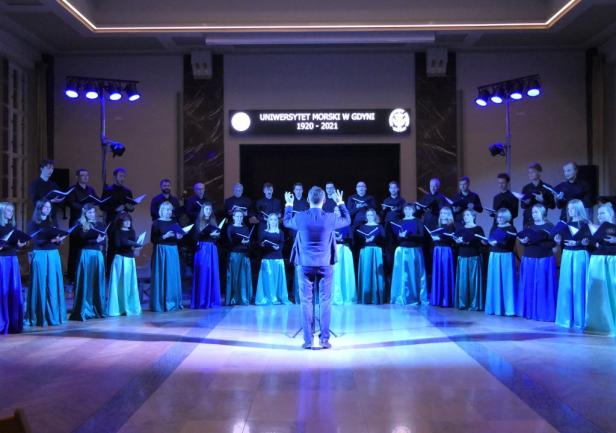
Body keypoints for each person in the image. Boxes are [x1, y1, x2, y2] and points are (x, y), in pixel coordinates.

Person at [283, 186, 350, 349]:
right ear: (325, 200)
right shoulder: (330, 217)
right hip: (325, 264)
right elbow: (347, 220)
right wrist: (340, 203)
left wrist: (289, 205)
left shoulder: (300, 217)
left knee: (306, 302)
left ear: (307, 200)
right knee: (325, 302)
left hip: (305, 264)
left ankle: (308, 341)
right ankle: (324, 340)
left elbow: (286, 222)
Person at [26, 200, 67, 327]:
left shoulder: (52, 222)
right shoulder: (33, 223)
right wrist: (51, 240)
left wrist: (59, 240)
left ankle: (53, 314)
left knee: (53, 285)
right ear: (39, 208)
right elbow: (36, 241)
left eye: (50, 207)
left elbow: (57, 239)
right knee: (40, 284)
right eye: (46, 207)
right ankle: (39, 316)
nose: (48, 209)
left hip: (53, 254)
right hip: (41, 254)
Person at [554, 199, 591, 329]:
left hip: (580, 255)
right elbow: (563, 242)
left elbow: (590, 242)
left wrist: (578, 243)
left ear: (579, 209)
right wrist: (558, 241)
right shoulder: (566, 224)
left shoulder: (586, 224)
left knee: (579, 285)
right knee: (567, 285)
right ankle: (566, 318)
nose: (570, 211)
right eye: (569, 209)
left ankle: (580, 318)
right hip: (568, 255)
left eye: (573, 208)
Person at [517, 204, 557, 321]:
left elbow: (553, 243)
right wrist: (524, 241)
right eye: (533, 212)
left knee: (543, 286)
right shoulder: (529, 226)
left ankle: (543, 313)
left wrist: (538, 241)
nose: (534, 214)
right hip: (529, 258)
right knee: (529, 285)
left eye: (536, 212)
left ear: (543, 213)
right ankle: (529, 312)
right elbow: (523, 241)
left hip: (544, 259)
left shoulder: (550, 226)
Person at [70, 203, 106, 321]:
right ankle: (83, 309)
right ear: (84, 213)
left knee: (96, 281)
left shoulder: (99, 225)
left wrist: (101, 240)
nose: (92, 214)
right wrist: (95, 240)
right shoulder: (79, 224)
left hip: (97, 254)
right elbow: (79, 240)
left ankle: (97, 308)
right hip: (85, 254)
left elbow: (102, 240)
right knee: (85, 281)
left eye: (93, 212)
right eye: (89, 212)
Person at [584, 203, 616, 335]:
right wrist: (586, 243)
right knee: (598, 292)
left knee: (612, 290)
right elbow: (592, 247)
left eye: (602, 213)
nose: (599, 216)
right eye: (598, 214)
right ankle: (599, 323)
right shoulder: (595, 229)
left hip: (612, 261)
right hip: (597, 261)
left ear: (611, 214)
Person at [389, 203, 428, 305]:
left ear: (413, 211)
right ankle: (400, 296)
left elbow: (421, 236)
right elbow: (397, 238)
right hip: (402, 250)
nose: (407, 211)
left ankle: (414, 297)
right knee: (402, 275)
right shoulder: (399, 222)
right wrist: (400, 236)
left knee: (414, 275)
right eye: (405, 209)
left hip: (414, 251)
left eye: (409, 209)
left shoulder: (418, 221)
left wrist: (408, 235)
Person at [66, 168, 99, 283]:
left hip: (89, 222)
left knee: (88, 245)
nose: (85, 177)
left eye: (87, 175)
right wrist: (85, 207)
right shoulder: (72, 189)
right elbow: (71, 203)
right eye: (83, 175)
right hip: (77, 221)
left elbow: (97, 200)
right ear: (77, 177)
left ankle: (86, 274)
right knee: (75, 248)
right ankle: (72, 276)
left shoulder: (90, 189)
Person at [150, 201, 183, 312]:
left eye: (170, 210)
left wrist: (179, 237)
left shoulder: (174, 222)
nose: (169, 212)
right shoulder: (156, 223)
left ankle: (172, 301)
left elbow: (178, 237)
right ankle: (161, 302)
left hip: (173, 250)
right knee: (162, 275)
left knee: (172, 275)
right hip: (162, 251)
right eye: (167, 210)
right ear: (162, 210)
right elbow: (153, 239)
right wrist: (165, 236)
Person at [107, 212, 143, 316]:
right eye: (125, 221)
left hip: (130, 259)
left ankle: (129, 306)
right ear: (121, 222)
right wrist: (131, 243)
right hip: (120, 259)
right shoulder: (117, 231)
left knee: (129, 284)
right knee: (119, 284)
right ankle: (118, 308)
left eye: (129, 221)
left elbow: (131, 244)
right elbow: (118, 244)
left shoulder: (131, 231)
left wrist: (135, 244)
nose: (128, 223)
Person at [484, 209, 518, 316]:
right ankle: (495, 307)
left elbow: (510, 245)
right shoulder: (495, 227)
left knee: (507, 282)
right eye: (498, 217)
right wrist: (488, 242)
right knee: (494, 281)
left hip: (505, 256)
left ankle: (508, 308)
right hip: (494, 256)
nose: (498, 219)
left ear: (506, 217)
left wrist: (498, 243)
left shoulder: (511, 228)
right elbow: (490, 239)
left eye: (501, 217)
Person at [0, 202, 27, 334]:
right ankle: (2, 322)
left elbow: (13, 245)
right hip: (2, 260)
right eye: (8, 210)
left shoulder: (12, 227)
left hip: (12, 259)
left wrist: (19, 245)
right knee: (3, 289)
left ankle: (13, 322)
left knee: (14, 290)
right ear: (1, 212)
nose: (10, 213)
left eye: (11, 211)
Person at [101, 168, 135, 270]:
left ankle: (123, 270)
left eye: (124, 176)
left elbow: (131, 208)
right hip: (113, 222)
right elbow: (102, 206)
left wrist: (130, 207)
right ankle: (110, 271)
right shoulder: (108, 190)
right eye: (120, 176)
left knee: (125, 245)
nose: (122, 178)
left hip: (125, 223)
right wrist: (115, 209)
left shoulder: (127, 191)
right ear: (115, 176)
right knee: (113, 246)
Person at [191, 202, 222, 309]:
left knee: (212, 273)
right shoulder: (198, 221)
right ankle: (202, 300)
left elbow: (218, 237)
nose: (208, 211)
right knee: (203, 273)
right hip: (203, 248)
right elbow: (195, 237)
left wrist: (216, 235)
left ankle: (212, 300)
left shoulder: (213, 221)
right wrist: (209, 234)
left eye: (210, 209)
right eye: (206, 209)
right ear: (203, 210)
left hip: (212, 248)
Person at [453, 209, 485, 310]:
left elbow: (482, 243)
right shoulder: (460, 229)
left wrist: (470, 242)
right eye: (464, 215)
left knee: (473, 282)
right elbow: (455, 243)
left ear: (473, 217)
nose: (465, 217)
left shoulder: (478, 228)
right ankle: (463, 303)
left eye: (468, 215)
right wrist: (457, 241)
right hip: (462, 256)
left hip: (473, 257)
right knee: (463, 282)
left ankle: (474, 304)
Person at [255, 214, 290, 305]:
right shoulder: (263, 232)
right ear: (268, 221)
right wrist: (263, 245)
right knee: (268, 280)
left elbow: (282, 245)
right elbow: (260, 245)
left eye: (275, 219)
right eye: (271, 219)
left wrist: (278, 247)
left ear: (277, 221)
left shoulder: (280, 232)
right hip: (267, 258)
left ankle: (278, 297)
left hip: (278, 259)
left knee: (278, 280)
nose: (273, 221)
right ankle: (270, 297)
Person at [356, 209, 386, 304]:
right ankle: (365, 296)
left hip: (376, 250)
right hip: (365, 250)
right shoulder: (362, 227)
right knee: (366, 272)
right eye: (368, 215)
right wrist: (364, 240)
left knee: (375, 272)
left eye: (371, 215)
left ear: (375, 216)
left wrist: (375, 238)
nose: (369, 217)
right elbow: (357, 239)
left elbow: (384, 238)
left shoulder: (379, 226)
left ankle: (376, 296)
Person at [429, 207, 456, 307]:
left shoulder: (451, 226)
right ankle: (438, 298)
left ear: (449, 215)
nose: (443, 215)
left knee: (445, 273)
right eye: (441, 213)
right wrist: (434, 238)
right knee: (438, 273)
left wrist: (440, 238)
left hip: (446, 250)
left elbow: (451, 240)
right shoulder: (438, 226)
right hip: (437, 250)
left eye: (445, 213)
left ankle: (446, 299)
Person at [226, 209, 253, 305]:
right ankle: (233, 298)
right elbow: (229, 242)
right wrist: (240, 241)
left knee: (243, 277)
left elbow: (249, 241)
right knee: (234, 277)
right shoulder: (230, 227)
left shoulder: (245, 227)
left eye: (241, 216)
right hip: (235, 254)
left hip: (244, 254)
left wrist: (247, 242)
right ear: (233, 217)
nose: (239, 218)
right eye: (237, 216)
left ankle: (243, 297)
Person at [332, 206, 356, 305]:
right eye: (334, 210)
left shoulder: (346, 223)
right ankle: (335, 296)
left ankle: (346, 295)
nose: (336, 212)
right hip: (333, 250)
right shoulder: (330, 223)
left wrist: (342, 239)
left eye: (338, 210)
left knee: (345, 272)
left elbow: (351, 238)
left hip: (344, 249)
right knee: (335, 273)